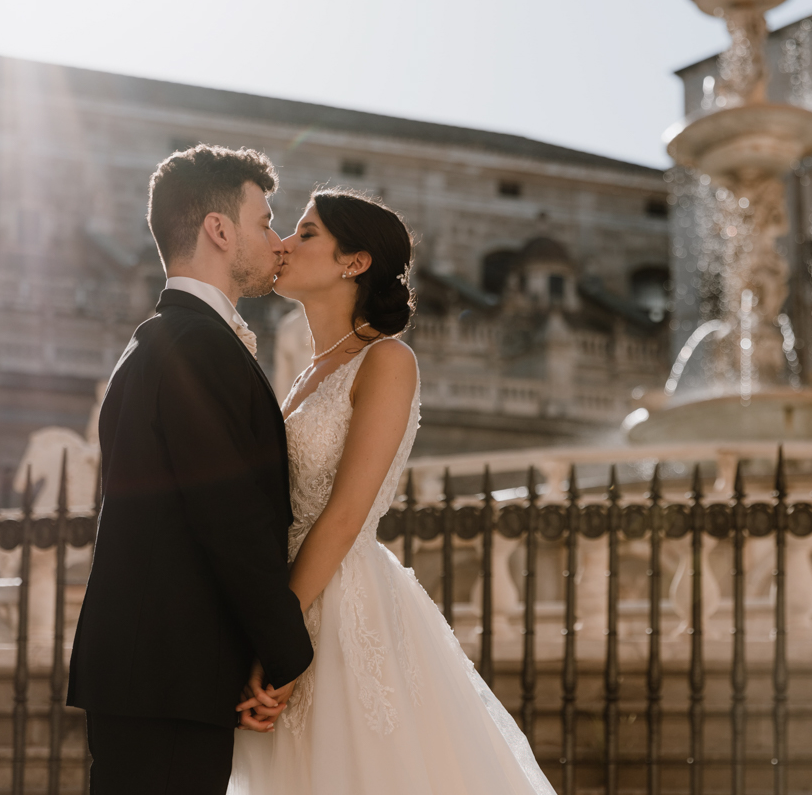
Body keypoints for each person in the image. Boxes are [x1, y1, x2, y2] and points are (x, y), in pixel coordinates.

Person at [229, 188, 553, 795]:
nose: (285, 244)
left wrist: (280, 638)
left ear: (354, 262)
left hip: (337, 600)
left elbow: (347, 512)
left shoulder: (386, 361)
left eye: (306, 233)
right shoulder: (304, 373)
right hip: (288, 595)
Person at [67, 145, 314, 794]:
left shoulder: (158, 341)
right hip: (168, 677)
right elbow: (227, 514)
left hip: (155, 674)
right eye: (265, 221)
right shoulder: (194, 346)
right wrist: (285, 650)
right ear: (219, 229)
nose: (276, 239)